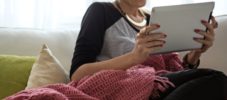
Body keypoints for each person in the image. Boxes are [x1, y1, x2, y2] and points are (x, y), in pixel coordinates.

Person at [70, 0, 227, 100]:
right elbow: (77, 74)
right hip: (123, 87)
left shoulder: (154, 19)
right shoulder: (100, 11)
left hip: (156, 87)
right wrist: (133, 58)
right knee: (217, 79)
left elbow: (171, 74)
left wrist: (196, 52)